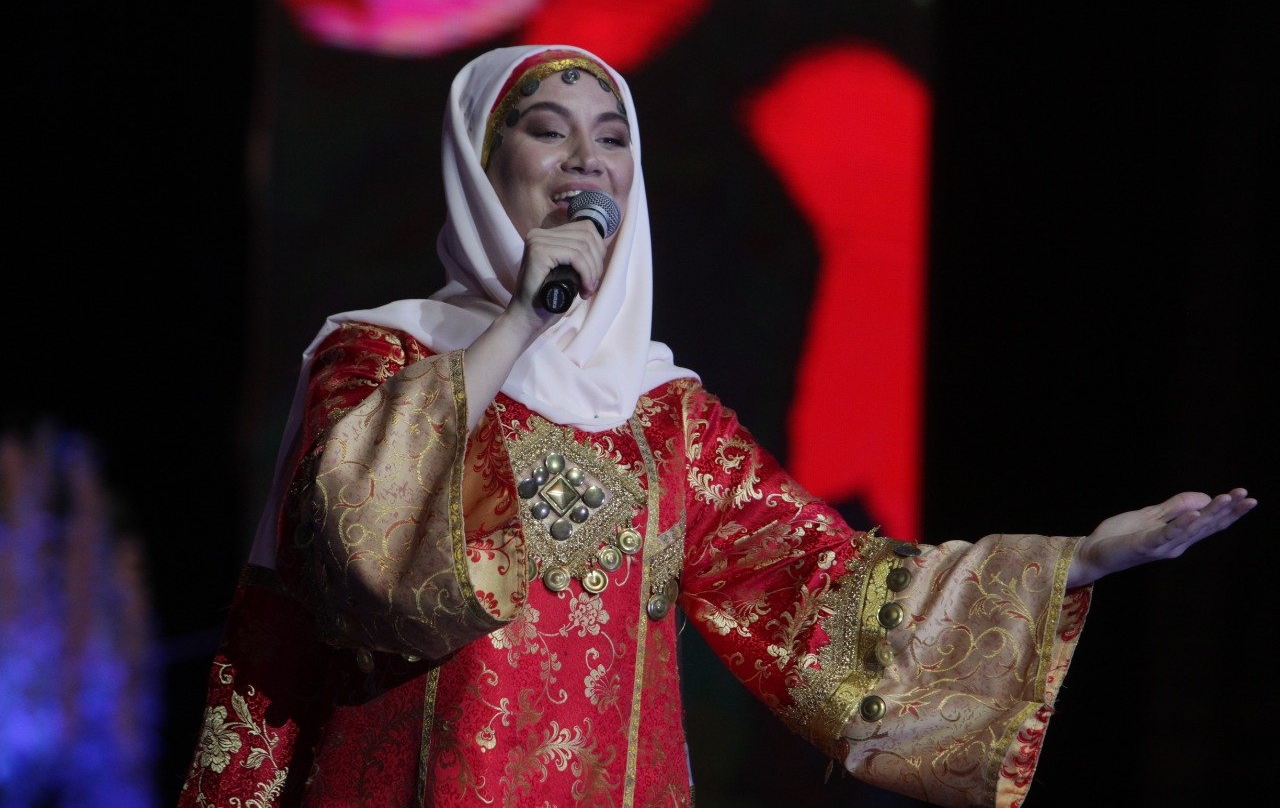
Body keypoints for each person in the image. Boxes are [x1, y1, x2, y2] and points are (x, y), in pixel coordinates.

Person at [177, 44, 1256, 807]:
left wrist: (1080, 558)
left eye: (611, 139)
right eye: (547, 131)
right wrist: (516, 325)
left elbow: (825, 591)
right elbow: (361, 560)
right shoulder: (379, 357)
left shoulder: (664, 415)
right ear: (479, 160)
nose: (586, 161)